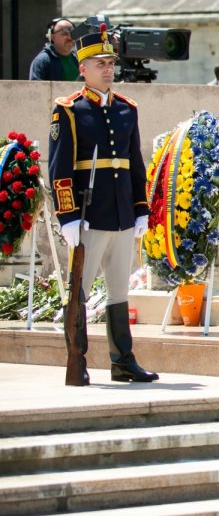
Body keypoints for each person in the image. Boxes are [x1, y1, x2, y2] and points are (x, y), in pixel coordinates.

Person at [49, 26, 159, 384]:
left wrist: (141, 208)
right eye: (100, 63)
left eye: (111, 63)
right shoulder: (69, 111)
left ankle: (122, 360)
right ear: (83, 68)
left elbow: (135, 164)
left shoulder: (128, 109)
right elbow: (59, 167)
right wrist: (66, 217)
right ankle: (76, 359)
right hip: (88, 216)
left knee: (118, 291)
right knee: (79, 291)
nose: (108, 69)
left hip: (122, 214)